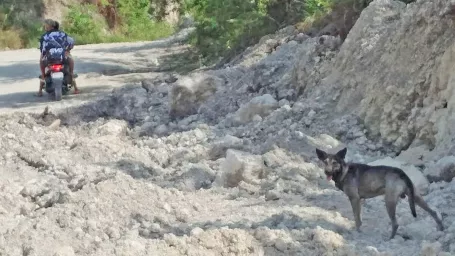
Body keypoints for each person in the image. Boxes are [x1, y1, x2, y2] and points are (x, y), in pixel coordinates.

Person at [37, 19, 79, 96]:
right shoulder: (62, 34)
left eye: (46, 26)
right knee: (70, 64)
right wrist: (68, 49)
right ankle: (75, 87)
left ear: (49, 26)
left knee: (41, 62)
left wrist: (44, 53)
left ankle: (41, 86)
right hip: (62, 56)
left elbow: (41, 48)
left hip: (50, 58)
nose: (45, 27)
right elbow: (71, 42)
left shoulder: (44, 36)